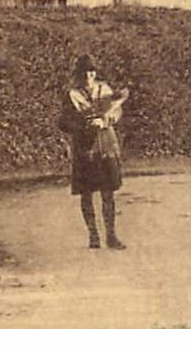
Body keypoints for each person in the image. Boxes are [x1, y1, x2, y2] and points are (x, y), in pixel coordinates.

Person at [58, 54, 128, 250]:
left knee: (108, 191)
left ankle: (111, 235)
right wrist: (82, 125)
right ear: (78, 75)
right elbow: (63, 122)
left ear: (95, 73)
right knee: (86, 192)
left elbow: (117, 112)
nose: (88, 76)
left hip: (105, 143)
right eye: (84, 72)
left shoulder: (104, 90)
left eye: (91, 72)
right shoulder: (72, 95)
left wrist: (105, 121)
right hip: (84, 146)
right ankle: (93, 235)